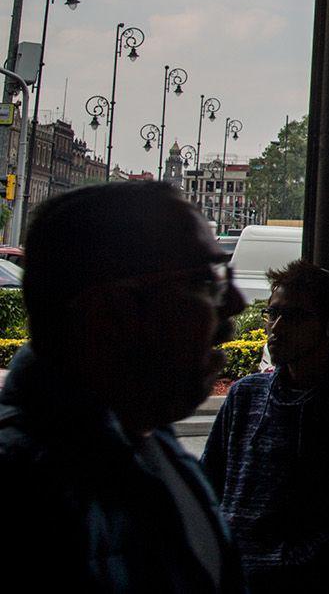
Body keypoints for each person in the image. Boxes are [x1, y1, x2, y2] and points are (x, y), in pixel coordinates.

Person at [0, 181, 248, 590]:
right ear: (112, 309)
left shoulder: (152, 441)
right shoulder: (27, 497)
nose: (235, 302)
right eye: (205, 281)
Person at [202, 260, 329, 591]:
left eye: (293, 316)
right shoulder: (246, 395)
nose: (275, 328)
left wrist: (289, 566)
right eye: (273, 313)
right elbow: (210, 482)